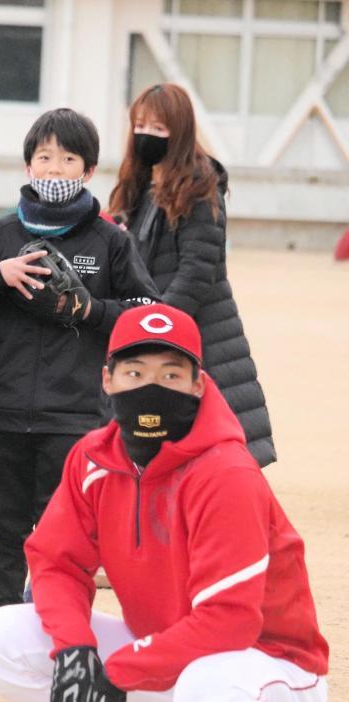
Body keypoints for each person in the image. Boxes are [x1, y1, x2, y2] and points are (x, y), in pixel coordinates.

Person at [0, 304, 328, 702]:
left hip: (272, 672)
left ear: (197, 384)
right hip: (171, 660)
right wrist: (74, 652)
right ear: (108, 379)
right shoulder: (92, 459)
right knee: (1, 639)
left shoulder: (226, 473)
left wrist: (113, 672)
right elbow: (56, 563)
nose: (151, 387)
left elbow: (229, 622)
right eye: (135, 373)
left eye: (171, 374)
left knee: (208, 690)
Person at [0, 108, 158, 617]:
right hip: (2, 410)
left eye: (67, 159)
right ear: (28, 166)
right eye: (44, 157)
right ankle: (1, 628)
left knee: (63, 532)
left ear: (88, 171)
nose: (54, 169)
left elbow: (148, 316)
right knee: (5, 527)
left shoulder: (110, 240)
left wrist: (91, 310)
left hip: (74, 414)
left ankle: (54, 628)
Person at [109, 82, 275, 467]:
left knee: (217, 447)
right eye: (140, 125)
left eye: (159, 128)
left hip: (201, 332)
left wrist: (155, 329)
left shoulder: (199, 185)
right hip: (161, 328)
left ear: (179, 131)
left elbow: (196, 273)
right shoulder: (141, 183)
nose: (146, 135)